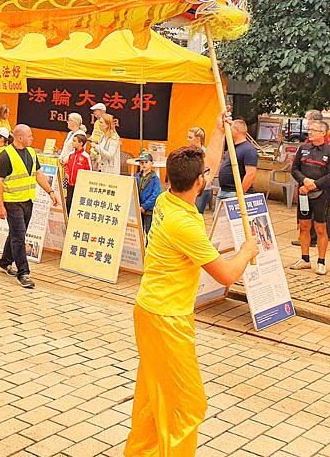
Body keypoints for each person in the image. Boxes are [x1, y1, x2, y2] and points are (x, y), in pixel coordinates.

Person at [125, 114, 258, 457]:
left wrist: (217, 132)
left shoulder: (167, 198)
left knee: (153, 394)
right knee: (187, 404)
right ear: (198, 183)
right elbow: (226, 275)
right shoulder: (185, 225)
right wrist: (246, 251)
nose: (207, 177)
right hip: (167, 318)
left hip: (151, 309)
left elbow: (206, 167)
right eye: (204, 176)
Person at [0, 124, 60, 289]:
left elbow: (38, 174)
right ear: (19, 138)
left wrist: (50, 191)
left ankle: (4, 263)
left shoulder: (31, 153)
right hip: (12, 202)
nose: (32, 138)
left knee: (16, 233)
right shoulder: (5, 156)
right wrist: (0, 206)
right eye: (29, 136)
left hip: (28, 200)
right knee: (19, 237)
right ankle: (23, 273)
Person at [289, 120, 330, 275]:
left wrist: (314, 185)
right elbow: (294, 169)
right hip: (303, 192)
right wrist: (304, 181)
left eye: (314, 130)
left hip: (321, 194)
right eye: (309, 129)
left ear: (323, 133)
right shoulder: (303, 148)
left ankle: (321, 261)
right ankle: (305, 259)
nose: (309, 132)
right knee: (304, 226)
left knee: (320, 228)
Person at [216, 119, 258, 201]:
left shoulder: (249, 149)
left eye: (230, 129)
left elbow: (251, 174)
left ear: (236, 131)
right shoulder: (232, 147)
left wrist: (239, 195)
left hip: (234, 192)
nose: (228, 132)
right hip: (224, 191)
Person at [134, 151, 162, 237]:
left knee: (149, 230)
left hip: (149, 210)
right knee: (138, 229)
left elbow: (155, 195)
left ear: (152, 163)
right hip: (138, 209)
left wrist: (144, 206)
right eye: (141, 162)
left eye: (146, 162)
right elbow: (133, 190)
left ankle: (148, 244)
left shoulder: (155, 178)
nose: (144, 164)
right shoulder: (136, 177)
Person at [63, 132, 91, 216]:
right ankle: (68, 219)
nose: (72, 142)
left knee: (77, 203)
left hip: (80, 185)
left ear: (81, 143)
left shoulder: (86, 156)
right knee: (68, 202)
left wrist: (84, 183)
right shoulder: (71, 155)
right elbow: (65, 165)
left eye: (74, 141)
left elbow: (89, 172)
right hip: (70, 184)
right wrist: (67, 173)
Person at [187, 127, 210, 214]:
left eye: (190, 137)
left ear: (198, 139)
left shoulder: (206, 154)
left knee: (197, 214)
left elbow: (207, 171)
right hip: (190, 186)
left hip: (202, 188)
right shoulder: (188, 152)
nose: (187, 139)